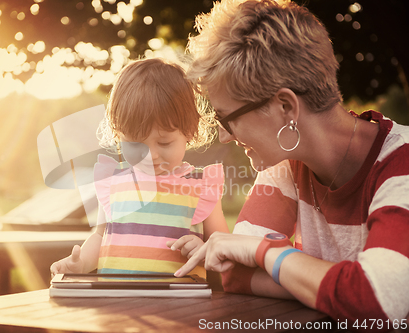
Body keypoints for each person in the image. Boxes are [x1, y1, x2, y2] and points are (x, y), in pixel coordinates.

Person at [171, 0, 409, 329]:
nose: (225, 137)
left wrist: (266, 254)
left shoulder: (402, 164)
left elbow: (374, 302)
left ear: (285, 107)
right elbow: (235, 273)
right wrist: (334, 287)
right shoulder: (286, 163)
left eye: (229, 119)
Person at [51, 58, 229, 278]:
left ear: (189, 131)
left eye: (164, 143)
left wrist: (203, 248)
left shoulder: (201, 186)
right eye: (135, 143)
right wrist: (80, 264)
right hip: (117, 301)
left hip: (180, 303)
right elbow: (100, 237)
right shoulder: (113, 182)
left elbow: (223, 247)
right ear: (118, 135)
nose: (150, 155)